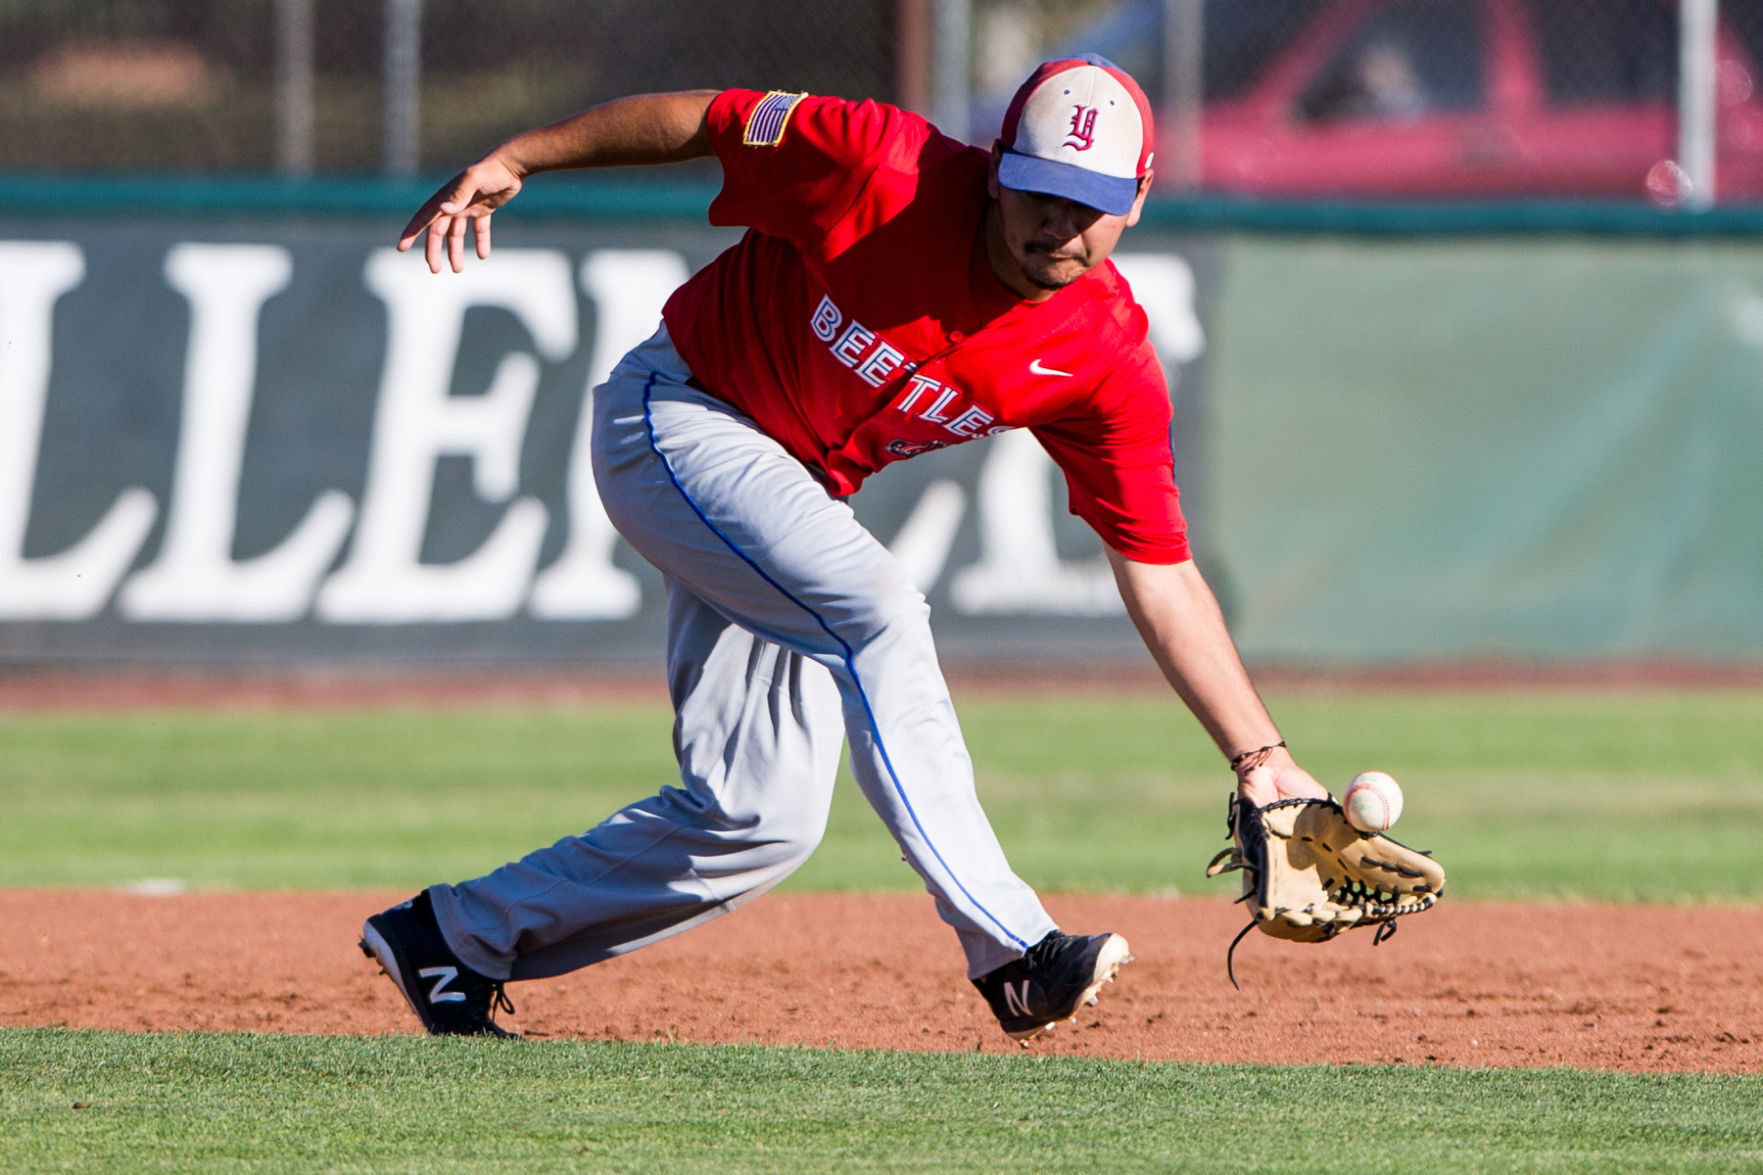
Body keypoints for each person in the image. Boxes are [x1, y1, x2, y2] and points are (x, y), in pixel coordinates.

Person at [359, 54, 1327, 1042]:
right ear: (996, 167)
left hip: (788, 492)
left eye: (1087, 203)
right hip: (677, 414)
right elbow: (707, 118)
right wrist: (524, 156)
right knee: (877, 607)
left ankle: (452, 936)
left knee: (758, 818)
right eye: (1037, 191)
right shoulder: (881, 166)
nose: (1057, 224)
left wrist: (1261, 757)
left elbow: (1158, 570)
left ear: (1137, 197)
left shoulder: (1101, 354)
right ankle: (1012, 951)